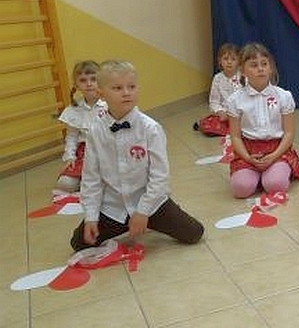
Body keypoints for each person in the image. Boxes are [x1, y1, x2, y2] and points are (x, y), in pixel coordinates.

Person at [69, 60, 204, 252]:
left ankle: (154, 219)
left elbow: (160, 176)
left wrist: (142, 212)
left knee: (194, 233)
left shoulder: (151, 129)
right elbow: (91, 178)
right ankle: (127, 223)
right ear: (101, 94)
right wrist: (91, 217)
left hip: (150, 203)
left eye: (131, 87)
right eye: (117, 88)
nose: (126, 92)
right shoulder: (95, 132)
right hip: (113, 207)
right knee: (79, 243)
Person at [226, 42, 299, 198]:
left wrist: (274, 155)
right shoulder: (235, 100)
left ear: (271, 68)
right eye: (254, 65)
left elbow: (289, 133)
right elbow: (235, 136)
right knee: (241, 189)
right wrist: (248, 157)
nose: (260, 69)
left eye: (264, 64)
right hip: (249, 151)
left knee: (275, 185)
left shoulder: (284, 96)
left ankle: (276, 172)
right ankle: (254, 176)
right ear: (242, 71)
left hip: (277, 149)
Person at [56, 60, 106, 192]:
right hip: (85, 154)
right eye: (83, 80)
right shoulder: (74, 110)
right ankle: (87, 180)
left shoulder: (109, 104)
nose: (89, 84)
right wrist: (70, 158)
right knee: (64, 185)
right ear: (76, 85)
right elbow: (72, 137)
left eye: (93, 79)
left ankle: (94, 181)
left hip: (108, 151)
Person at [194, 43, 241, 137]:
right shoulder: (217, 78)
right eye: (226, 59)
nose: (229, 62)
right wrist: (220, 112)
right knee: (210, 124)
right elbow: (214, 101)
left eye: (233, 59)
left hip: (241, 114)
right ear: (220, 61)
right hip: (225, 115)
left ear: (239, 61)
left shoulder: (244, 77)